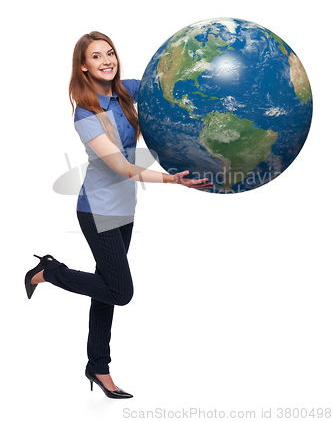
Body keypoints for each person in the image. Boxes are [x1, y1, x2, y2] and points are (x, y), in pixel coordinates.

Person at [24, 31, 212, 399]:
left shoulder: (124, 90)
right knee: (120, 292)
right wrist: (173, 180)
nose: (107, 61)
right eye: (97, 57)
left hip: (125, 209)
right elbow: (124, 168)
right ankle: (48, 272)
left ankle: (98, 367)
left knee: (105, 292)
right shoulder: (87, 116)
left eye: (110, 53)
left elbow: (163, 84)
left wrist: (199, 69)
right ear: (83, 66)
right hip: (98, 211)